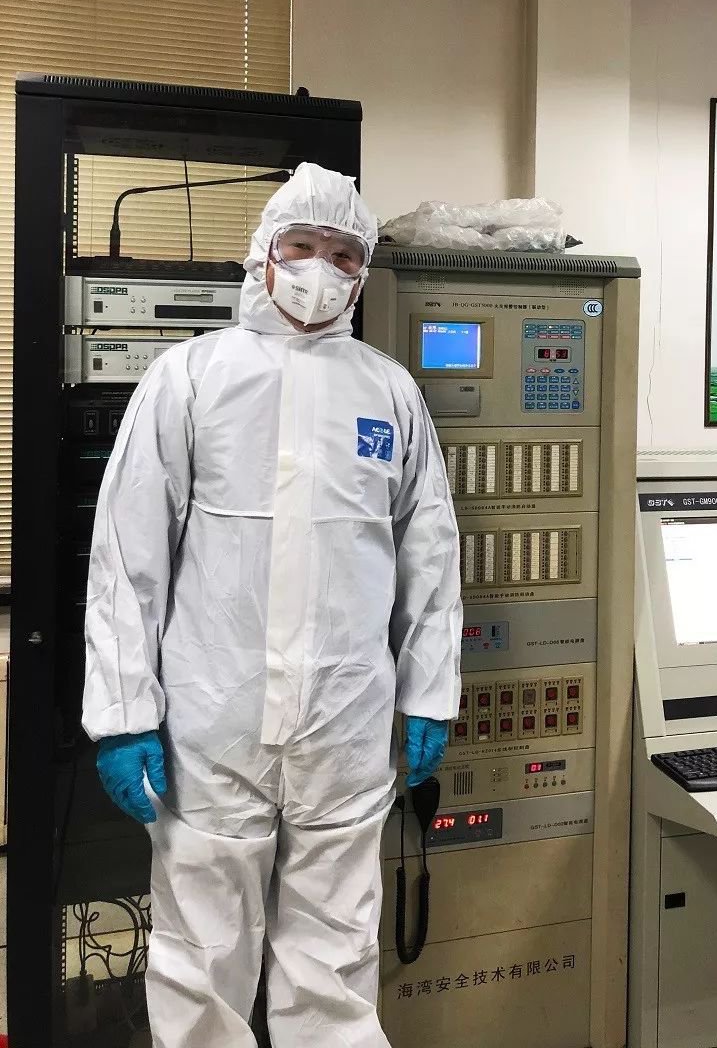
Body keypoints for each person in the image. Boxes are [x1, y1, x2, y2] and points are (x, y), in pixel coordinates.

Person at [83, 163, 462, 1048]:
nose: (320, 269)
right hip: (213, 721)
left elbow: (430, 554)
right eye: (302, 246)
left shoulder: (389, 391)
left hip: (346, 723)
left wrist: (428, 694)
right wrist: (124, 715)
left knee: (334, 962)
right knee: (202, 957)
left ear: (362, 274)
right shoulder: (189, 378)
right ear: (263, 253)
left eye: (343, 254)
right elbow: (127, 559)